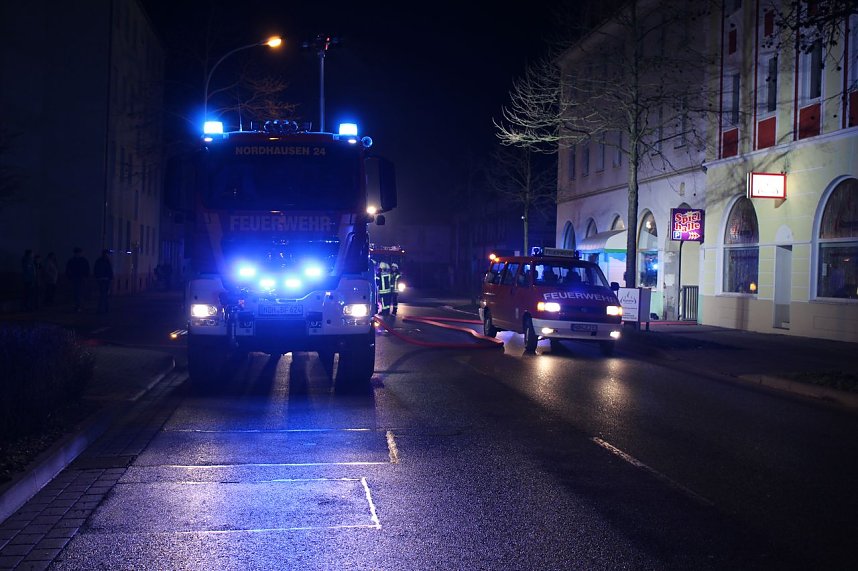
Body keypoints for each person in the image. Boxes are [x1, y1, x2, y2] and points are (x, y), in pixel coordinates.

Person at [65, 247, 90, 312]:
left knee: (78, 292)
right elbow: (87, 269)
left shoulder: (72, 260)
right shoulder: (83, 260)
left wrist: (69, 277)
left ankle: (79, 305)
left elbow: (68, 270)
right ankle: (79, 305)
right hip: (79, 278)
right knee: (79, 292)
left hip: (77, 278)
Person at [93, 249, 114, 314]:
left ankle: (103, 308)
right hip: (104, 279)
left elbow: (96, 270)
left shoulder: (100, 261)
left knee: (103, 294)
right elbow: (109, 270)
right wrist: (110, 277)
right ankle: (103, 308)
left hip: (102, 279)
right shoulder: (106, 261)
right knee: (104, 294)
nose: (109, 255)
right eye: (108, 254)